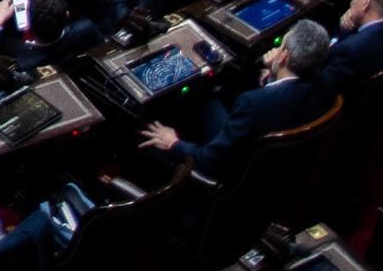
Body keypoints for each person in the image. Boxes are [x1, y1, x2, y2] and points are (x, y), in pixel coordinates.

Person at [143, 20, 335, 179]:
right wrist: (273, 75)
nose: (276, 50)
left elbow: (212, 161)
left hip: (231, 175)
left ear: (284, 56)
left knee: (147, 147)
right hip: (283, 167)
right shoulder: (326, 84)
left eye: (280, 47)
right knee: (208, 97)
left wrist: (175, 143)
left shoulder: (253, 103)